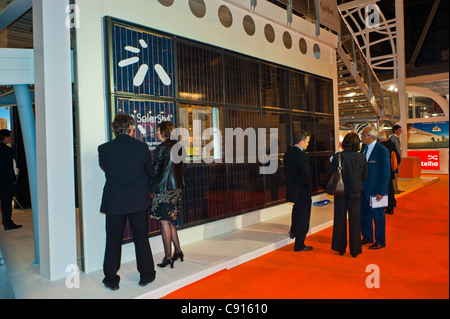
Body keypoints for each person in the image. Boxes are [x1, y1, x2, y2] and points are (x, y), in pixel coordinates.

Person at [98, 114, 155, 290]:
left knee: (112, 241)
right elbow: (149, 171)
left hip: (114, 201)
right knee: (141, 239)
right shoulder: (141, 147)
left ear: (115, 129)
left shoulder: (104, 149)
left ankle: (110, 280)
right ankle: (146, 276)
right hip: (138, 201)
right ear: (131, 127)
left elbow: (105, 168)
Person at [150, 121, 184, 268]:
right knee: (169, 221)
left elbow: (154, 171)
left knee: (164, 222)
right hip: (176, 189)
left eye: (158, 130)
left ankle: (168, 257)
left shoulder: (162, 148)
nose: (157, 133)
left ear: (164, 132)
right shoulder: (179, 147)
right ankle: (178, 251)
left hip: (164, 189)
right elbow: (183, 168)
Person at [328, 132, 368, 257]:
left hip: (340, 192)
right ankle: (355, 250)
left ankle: (340, 248)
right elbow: (365, 176)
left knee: (339, 219)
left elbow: (330, 172)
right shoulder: (361, 157)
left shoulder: (338, 156)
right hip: (355, 192)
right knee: (355, 221)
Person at [360, 125, 390, 250]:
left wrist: (381, 191)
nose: (361, 137)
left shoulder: (382, 150)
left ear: (371, 137)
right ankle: (367, 237)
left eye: (363, 135)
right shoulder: (363, 148)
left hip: (376, 190)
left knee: (378, 216)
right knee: (364, 214)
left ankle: (380, 240)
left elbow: (385, 172)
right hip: (363, 189)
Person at [283, 130, 313, 252]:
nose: (308, 144)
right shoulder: (302, 156)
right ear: (301, 142)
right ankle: (299, 244)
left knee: (296, 211)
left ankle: (293, 231)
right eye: (307, 142)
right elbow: (307, 173)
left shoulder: (288, 154)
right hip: (302, 190)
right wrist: (309, 185)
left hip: (292, 188)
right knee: (304, 217)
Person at [0, 129, 22, 230]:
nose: (10, 138)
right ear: (5, 137)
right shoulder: (7, 150)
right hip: (5, 181)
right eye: (9, 136)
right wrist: (13, 179)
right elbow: (9, 168)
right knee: (6, 203)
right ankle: (7, 223)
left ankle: (6, 222)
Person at [378, 131, 400, 215]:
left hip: (382, 170)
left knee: (383, 189)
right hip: (390, 169)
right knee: (390, 187)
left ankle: (385, 206)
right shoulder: (391, 144)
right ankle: (391, 205)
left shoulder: (379, 146)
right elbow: (397, 156)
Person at [389, 124, 403, 193]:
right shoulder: (392, 138)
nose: (401, 131)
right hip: (395, 159)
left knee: (397, 174)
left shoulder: (397, 138)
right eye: (399, 129)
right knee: (395, 174)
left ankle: (396, 188)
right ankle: (394, 188)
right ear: (396, 130)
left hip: (398, 158)